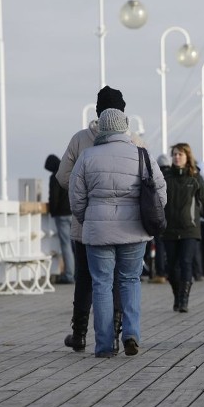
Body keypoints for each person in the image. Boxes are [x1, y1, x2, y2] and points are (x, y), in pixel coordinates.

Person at [69, 108, 167, 358]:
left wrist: (87, 219)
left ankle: (104, 345)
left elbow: (76, 197)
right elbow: (160, 192)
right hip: (134, 231)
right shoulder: (141, 155)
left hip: (98, 230)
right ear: (125, 128)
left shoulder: (87, 156)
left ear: (101, 128)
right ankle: (131, 334)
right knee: (130, 281)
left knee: (101, 284)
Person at [56, 85, 126, 353]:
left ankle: (80, 334)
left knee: (85, 278)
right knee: (117, 277)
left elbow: (63, 175)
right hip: (121, 223)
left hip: (84, 223)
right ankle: (116, 332)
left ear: (97, 111)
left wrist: (82, 190)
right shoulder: (131, 141)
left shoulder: (80, 139)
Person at [162, 143, 204, 312]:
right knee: (171, 267)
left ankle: (183, 300)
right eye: (174, 154)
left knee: (186, 263)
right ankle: (177, 294)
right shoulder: (165, 178)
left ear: (187, 157)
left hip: (190, 229)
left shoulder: (195, 177)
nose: (177, 157)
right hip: (169, 229)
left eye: (180, 154)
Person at [44, 154, 75, 284]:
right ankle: (78, 274)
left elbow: (54, 198)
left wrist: (52, 211)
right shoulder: (69, 173)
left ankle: (68, 275)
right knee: (75, 245)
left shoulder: (55, 177)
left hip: (62, 215)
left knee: (66, 245)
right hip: (74, 213)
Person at [147, 154, 172, 284]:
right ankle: (172, 271)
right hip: (174, 217)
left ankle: (160, 273)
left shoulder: (157, 176)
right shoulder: (174, 176)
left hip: (160, 216)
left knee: (160, 244)